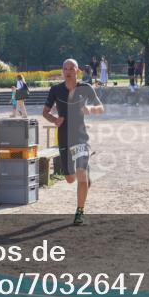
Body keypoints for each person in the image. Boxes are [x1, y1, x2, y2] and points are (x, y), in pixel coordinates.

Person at [43, 59, 104, 226]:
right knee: (70, 178)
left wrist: (91, 109)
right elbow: (45, 112)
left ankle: (79, 212)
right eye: (65, 68)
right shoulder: (55, 90)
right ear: (62, 71)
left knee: (81, 174)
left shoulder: (86, 88)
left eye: (71, 68)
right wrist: (54, 120)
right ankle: (84, 173)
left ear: (77, 71)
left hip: (80, 137)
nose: (68, 71)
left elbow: (101, 107)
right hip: (64, 138)